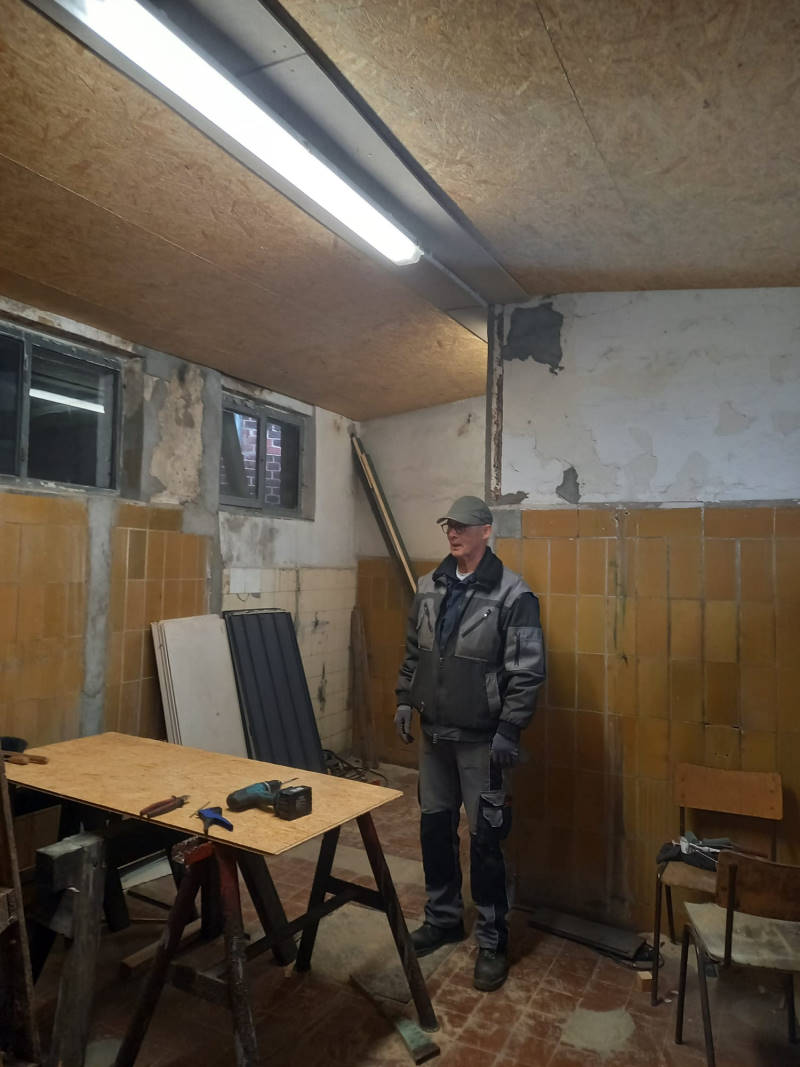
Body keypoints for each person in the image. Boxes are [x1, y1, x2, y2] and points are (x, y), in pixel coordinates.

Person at [394, 495, 545, 991]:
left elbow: (527, 670)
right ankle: (442, 919)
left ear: (485, 531)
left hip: (482, 741)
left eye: (462, 526)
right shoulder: (429, 585)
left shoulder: (513, 594)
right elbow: (414, 651)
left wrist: (509, 728)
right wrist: (404, 699)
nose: (452, 533)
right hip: (434, 735)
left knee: (486, 842)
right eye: (448, 526)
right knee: (435, 830)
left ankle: (493, 941)